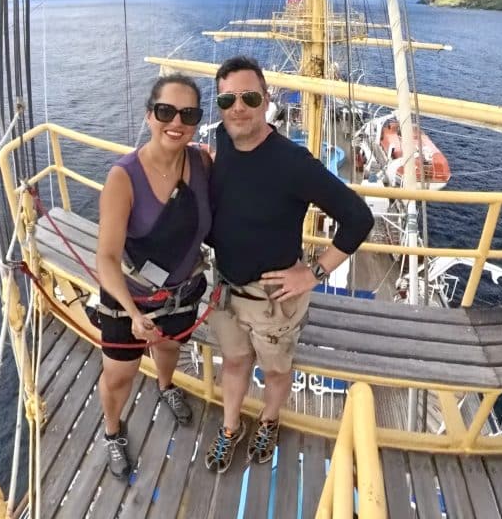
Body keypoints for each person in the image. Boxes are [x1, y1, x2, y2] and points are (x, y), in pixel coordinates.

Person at [204, 56, 374, 474]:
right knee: (236, 363)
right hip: (227, 290)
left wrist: (314, 272)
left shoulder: (292, 163)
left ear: (267, 100)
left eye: (249, 96)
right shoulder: (223, 144)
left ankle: (269, 420)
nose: (238, 107)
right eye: (228, 98)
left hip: (272, 301)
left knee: (276, 371)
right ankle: (230, 428)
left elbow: (359, 217)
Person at [96, 74, 211, 479]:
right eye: (166, 111)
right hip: (130, 299)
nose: (176, 122)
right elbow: (107, 259)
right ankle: (112, 431)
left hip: (182, 293)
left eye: (188, 113)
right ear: (149, 115)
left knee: (169, 348)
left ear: (197, 120)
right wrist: (131, 313)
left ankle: (165, 387)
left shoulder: (202, 162)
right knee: (119, 375)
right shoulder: (123, 178)